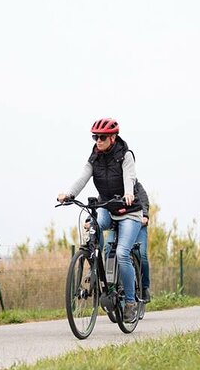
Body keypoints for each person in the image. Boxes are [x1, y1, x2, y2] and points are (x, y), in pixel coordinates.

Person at [58, 118, 143, 323]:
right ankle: (95, 263)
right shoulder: (95, 156)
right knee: (92, 227)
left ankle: (131, 302)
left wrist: (129, 194)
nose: (98, 140)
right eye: (95, 137)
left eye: (102, 137)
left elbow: (129, 177)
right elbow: (83, 176)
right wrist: (69, 194)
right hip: (107, 205)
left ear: (113, 137)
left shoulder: (125, 155)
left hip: (128, 210)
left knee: (122, 253)